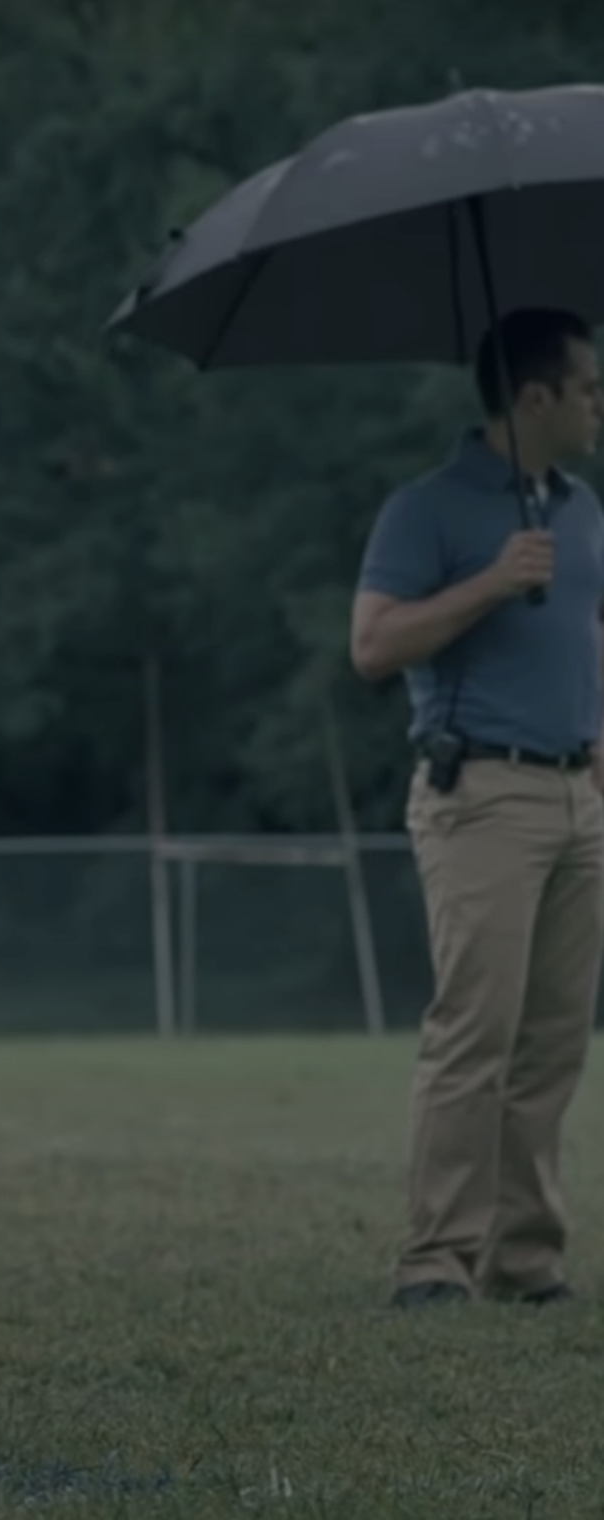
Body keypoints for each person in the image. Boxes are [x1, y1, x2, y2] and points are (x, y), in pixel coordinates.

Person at [350, 305, 604, 1311]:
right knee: (477, 1031)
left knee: (553, 1040)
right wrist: (493, 582)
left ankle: (526, 1258)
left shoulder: (582, 509)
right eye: (588, 387)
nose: (599, 404)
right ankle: (437, 1261)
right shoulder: (428, 510)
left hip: (578, 795)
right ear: (533, 396)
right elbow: (371, 646)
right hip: (480, 795)